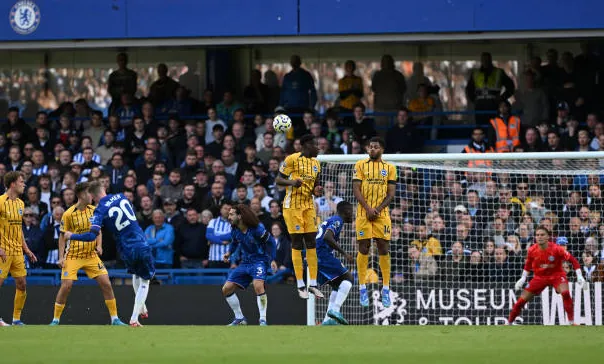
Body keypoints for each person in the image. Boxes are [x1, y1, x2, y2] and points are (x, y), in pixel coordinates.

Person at [63, 181, 155, 327]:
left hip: (125, 249)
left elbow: (91, 236)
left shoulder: (99, 210)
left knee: (136, 274)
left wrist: (71, 235)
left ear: (92, 196)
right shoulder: (122, 196)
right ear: (104, 189)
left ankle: (142, 308)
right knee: (145, 279)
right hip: (140, 243)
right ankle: (134, 318)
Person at [50, 183, 126, 326]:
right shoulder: (68, 214)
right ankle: (55, 319)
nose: (92, 196)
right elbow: (62, 236)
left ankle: (115, 318)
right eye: (88, 193)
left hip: (91, 255)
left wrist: (99, 245)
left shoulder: (95, 210)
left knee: (106, 283)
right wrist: (61, 257)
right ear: (81, 196)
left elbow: (98, 231)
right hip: (73, 255)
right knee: (66, 285)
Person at [275, 134, 324, 299]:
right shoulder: (292, 159)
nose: (318, 148)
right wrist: (292, 183)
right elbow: (278, 180)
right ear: (306, 145)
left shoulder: (317, 164)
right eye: (316, 145)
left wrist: (317, 190)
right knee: (297, 242)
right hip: (292, 206)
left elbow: (315, 185)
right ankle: (300, 284)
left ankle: (313, 283)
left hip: (308, 205)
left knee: (311, 241)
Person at [508, 226, 587, 325]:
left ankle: (572, 322)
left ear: (547, 237)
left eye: (542, 235)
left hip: (557, 275)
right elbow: (528, 265)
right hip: (539, 277)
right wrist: (523, 278)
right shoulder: (532, 250)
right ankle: (509, 323)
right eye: (537, 235)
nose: (539, 237)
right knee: (520, 301)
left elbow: (573, 260)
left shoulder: (557, 249)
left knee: (566, 293)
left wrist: (579, 276)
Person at [353, 137, 397, 308]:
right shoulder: (360, 165)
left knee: (383, 247)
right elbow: (356, 189)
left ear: (382, 149)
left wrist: (376, 209)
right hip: (363, 213)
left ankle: (385, 288)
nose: (372, 150)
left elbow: (391, 193)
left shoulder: (390, 168)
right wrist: (367, 208)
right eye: (370, 147)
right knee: (363, 247)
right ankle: (362, 287)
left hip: (382, 214)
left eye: (376, 147)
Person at [220, 204, 277, 326]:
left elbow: (271, 242)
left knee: (258, 285)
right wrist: (229, 253)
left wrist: (272, 259)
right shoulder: (235, 229)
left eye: (231, 214)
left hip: (259, 260)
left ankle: (263, 320)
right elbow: (234, 242)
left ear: (239, 216)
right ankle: (240, 318)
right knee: (226, 289)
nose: (228, 216)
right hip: (245, 262)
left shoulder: (257, 229)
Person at [0, 171, 38, 326]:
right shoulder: (1, 201)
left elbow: (18, 229)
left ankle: (16, 319)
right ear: (12, 184)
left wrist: (27, 250)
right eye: (21, 182)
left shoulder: (21, 204)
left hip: (17, 251)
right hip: (3, 250)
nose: (24, 184)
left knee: (22, 283)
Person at [315, 201, 355, 326]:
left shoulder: (331, 219)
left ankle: (328, 320)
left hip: (315, 256)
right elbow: (327, 237)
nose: (352, 215)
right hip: (322, 255)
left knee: (337, 285)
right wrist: (344, 253)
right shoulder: (338, 220)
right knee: (349, 277)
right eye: (351, 212)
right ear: (346, 211)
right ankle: (335, 310)